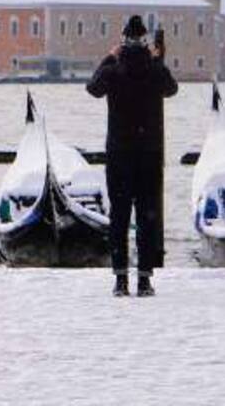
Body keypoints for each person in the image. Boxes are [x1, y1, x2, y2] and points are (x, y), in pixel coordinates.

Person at [86, 15, 178, 297]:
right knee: (147, 217)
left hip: (119, 153)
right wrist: (156, 60)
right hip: (149, 153)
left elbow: (93, 88)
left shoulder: (114, 69)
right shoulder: (153, 69)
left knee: (120, 216)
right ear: (145, 41)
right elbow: (171, 89)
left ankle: (120, 281)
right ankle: (145, 280)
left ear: (123, 41)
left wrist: (107, 58)